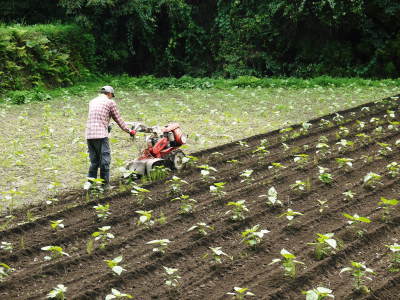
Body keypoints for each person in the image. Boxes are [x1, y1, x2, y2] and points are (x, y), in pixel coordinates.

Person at [85, 85, 136, 188]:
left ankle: (90, 184)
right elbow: (118, 119)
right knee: (105, 160)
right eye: (111, 95)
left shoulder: (92, 102)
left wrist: (107, 126)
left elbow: (98, 117)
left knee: (94, 161)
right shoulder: (110, 102)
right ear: (109, 94)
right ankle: (105, 185)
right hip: (100, 135)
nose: (111, 97)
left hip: (89, 134)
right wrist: (129, 131)